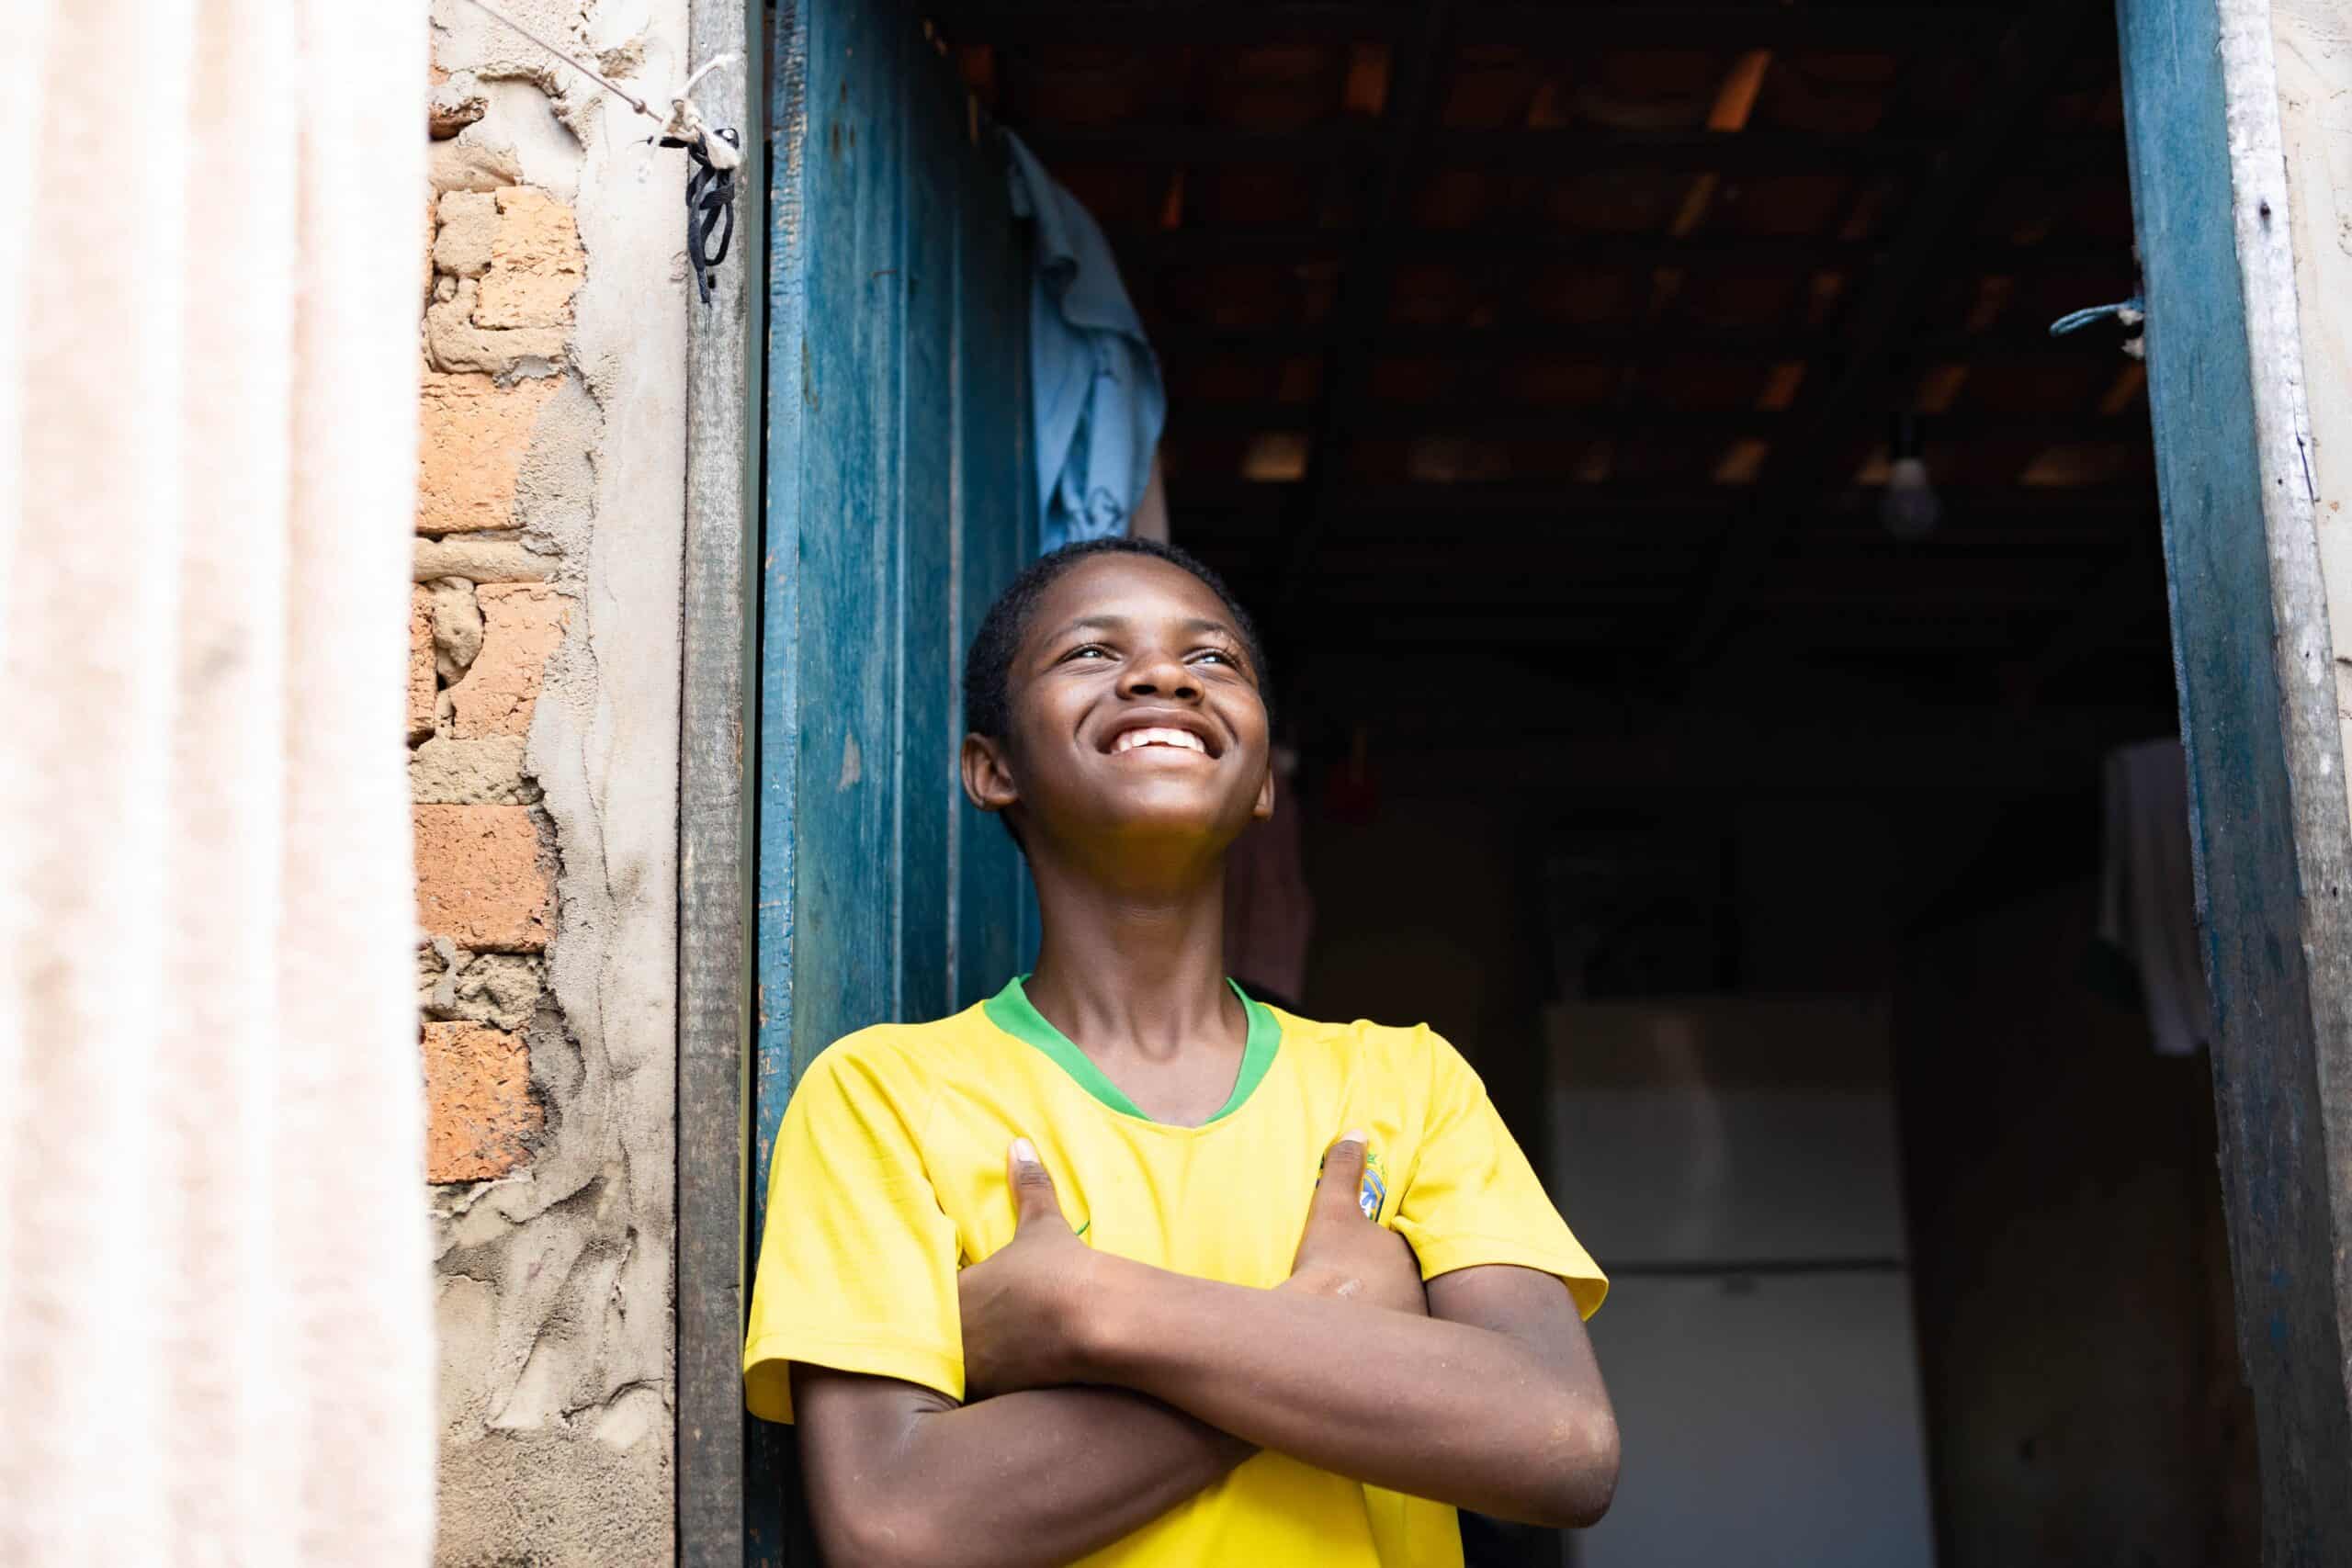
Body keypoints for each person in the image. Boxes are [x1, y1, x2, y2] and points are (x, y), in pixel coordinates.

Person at [742, 538, 1618, 1568]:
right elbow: (897, 1525)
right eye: (1088, 653)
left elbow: (1560, 1442)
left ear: (1260, 784)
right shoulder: (885, 1097)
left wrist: (1092, 1308)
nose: (1161, 675)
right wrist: (1328, 1325)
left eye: (1212, 661)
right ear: (993, 770)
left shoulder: (1405, 1083)